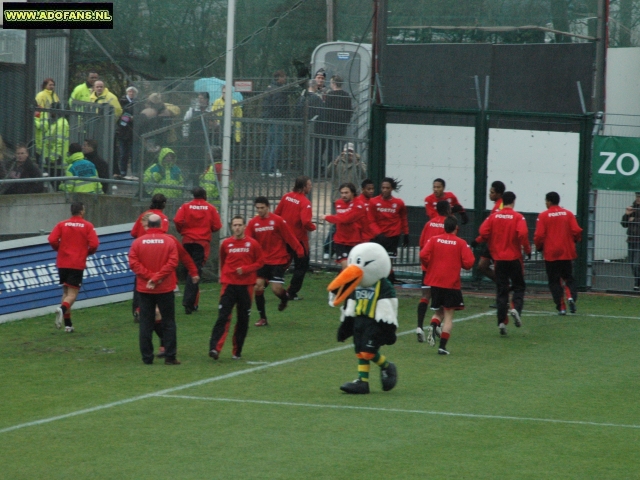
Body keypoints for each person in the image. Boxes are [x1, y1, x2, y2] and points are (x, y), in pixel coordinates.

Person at [328, 242, 398, 395]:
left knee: (368, 351)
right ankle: (363, 382)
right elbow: (349, 300)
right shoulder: (357, 284)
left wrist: (387, 324)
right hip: (359, 320)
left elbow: (389, 303)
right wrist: (346, 320)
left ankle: (386, 366)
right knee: (360, 351)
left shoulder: (382, 285)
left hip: (374, 321)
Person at [472, 191, 531, 336]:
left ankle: (501, 322)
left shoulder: (494, 217)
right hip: (514, 258)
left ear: (502, 201)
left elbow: (483, 231)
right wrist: (527, 250)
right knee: (518, 286)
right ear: (514, 201)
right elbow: (522, 234)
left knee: (502, 289)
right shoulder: (518, 217)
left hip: (499, 259)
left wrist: (484, 241)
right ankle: (515, 308)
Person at [209, 215, 264, 361]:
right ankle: (215, 348)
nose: (237, 227)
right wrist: (224, 277)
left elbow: (260, 262)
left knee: (243, 319)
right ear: (231, 227)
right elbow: (223, 261)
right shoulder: (226, 244)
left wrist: (246, 269)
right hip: (229, 285)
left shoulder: (253, 244)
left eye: (240, 225)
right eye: (235, 225)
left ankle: (237, 351)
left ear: (245, 226)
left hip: (246, 287)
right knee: (223, 316)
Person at [128, 214, 181, 365]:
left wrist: (149, 277)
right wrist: (157, 278)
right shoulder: (169, 242)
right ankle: (170, 356)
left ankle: (147, 358)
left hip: (145, 289)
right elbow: (173, 263)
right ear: (159, 225)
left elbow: (134, 263)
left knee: (146, 323)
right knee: (169, 322)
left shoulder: (138, 243)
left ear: (148, 225)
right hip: (164, 288)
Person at [420, 216, 476, 354]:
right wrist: (459, 263)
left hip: (435, 282)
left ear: (444, 227)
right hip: (451, 283)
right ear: (456, 228)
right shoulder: (461, 243)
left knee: (438, 311)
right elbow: (469, 263)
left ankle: (434, 324)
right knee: (449, 315)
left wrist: (430, 265)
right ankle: (442, 347)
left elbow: (423, 255)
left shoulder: (434, 240)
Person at [245, 196, 304, 326]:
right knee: (258, 286)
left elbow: (289, 236)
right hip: (262, 261)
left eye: (262, 208)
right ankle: (263, 319)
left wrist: (299, 249)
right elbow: (248, 241)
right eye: (257, 208)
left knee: (276, 289)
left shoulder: (278, 221)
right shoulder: (253, 223)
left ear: (268, 207)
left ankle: (284, 299)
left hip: (278, 259)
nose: (259, 210)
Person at [47, 202, 100, 333]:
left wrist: (60, 249)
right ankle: (62, 309)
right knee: (72, 294)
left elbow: (52, 239)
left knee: (65, 292)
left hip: (62, 262)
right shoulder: (87, 225)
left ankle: (68, 325)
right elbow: (94, 244)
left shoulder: (62, 224)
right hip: (76, 263)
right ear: (82, 211)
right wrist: (86, 252)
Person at [173, 187, 222, 314]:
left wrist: (182, 231)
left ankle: (192, 302)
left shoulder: (185, 206)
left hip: (187, 241)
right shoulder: (210, 208)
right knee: (195, 272)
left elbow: (177, 220)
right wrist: (207, 229)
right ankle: (189, 303)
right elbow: (217, 225)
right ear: (205, 195)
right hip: (201, 242)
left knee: (190, 270)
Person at [534, 192, 583, 314]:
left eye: (546, 201)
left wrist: (539, 247)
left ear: (549, 201)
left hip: (551, 253)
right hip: (566, 252)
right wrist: (576, 240)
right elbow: (576, 230)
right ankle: (570, 296)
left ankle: (561, 307)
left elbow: (539, 235)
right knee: (568, 277)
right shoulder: (568, 214)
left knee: (554, 281)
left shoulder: (543, 216)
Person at [130, 194, 171, 322]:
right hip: (156, 253)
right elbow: (162, 235)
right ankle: (155, 311)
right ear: (164, 204)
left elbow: (133, 233)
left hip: (141, 251)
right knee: (157, 281)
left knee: (140, 280)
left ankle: (138, 309)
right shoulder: (162, 218)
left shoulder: (143, 215)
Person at [274, 176, 316, 301]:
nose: (311, 186)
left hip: (285, 238)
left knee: (282, 262)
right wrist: (313, 227)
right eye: (309, 184)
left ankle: (266, 281)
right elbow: (306, 222)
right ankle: (291, 293)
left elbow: (277, 214)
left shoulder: (286, 196)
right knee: (301, 266)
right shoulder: (305, 203)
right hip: (299, 240)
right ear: (303, 187)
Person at [416, 200, 450, 342]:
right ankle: (437, 324)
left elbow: (422, 244)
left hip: (427, 266)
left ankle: (419, 326)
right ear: (448, 209)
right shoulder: (449, 225)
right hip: (440, 268)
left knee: (425, 295)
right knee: (441, 298)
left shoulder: (429, 223)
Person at [368, 177, 409, 283]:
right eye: (383, 188)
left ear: (392, 189)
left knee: (389, 260)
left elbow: (403, 218)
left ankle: (388, 280)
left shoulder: (399, 203)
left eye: (387, 188)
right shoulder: (373, 201)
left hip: (393, 235)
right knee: (377, 259)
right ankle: (381, 279)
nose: (385, 190)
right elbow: (371, 220)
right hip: (379, 236)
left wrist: (406, 234)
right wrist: (378, 234)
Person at [320, 182, 366, 269]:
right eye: (342, 193)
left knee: (352, 267)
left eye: (346, 193)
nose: (343, 195)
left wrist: (327, 217)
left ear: (353, 193)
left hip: (354, 240)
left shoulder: (359, 205)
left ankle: (344, 282)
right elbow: (340, 218)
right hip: (340, 240)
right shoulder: (338, 203)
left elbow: (346, 219)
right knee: (346, 267)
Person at [476, 180, 506, 287]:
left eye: (492, 192)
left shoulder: (500, 206)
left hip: (497, 243)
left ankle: (503, 289)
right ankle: (502, 285)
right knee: (482, 266)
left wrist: (479, 239)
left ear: (499, 194)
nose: (490, 194)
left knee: (491, 268)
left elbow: (493, 227)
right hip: (492, 242)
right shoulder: (497, 206)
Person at [260, 70, 289, 176]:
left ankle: (264, 169)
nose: (285, 79)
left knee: (269, 145)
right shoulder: (278, 90)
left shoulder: (270, 88)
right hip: (277, 120)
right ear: (279, 78)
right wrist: (285, 116)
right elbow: (279, 107)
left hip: (270, 120)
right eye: (284, 77)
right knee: (276, 145)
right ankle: (272, 169)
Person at [320, 75, 353, 165]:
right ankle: (344, 165)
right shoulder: (346, 95)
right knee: (342, 146)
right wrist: (346, 121)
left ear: (334, 83)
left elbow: (326, 111)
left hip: (330, 124)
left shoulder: (330, 95)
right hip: (342, 125)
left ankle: (330, 166)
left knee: (330, 146)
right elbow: (349, 111)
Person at [116, 86, 139, 179]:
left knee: (134, 153)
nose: (131, 93)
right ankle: (123, 172)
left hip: (134, 132)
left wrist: (135, 118)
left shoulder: (139, 103)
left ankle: (134, 172)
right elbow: (118, 115)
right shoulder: (121, 102)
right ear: (127, 93)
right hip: (123, 131)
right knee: (123, 153)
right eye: (129, 92)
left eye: (133, 92)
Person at [621, 192, 640, 291]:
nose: (638, 198)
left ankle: (637, 282)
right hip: (631, 239)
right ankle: (637, 280)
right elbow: (624, 224)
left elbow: (632, 221)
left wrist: (634, 219)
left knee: (637, 263)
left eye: (639, 196)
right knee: (632, 263)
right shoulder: (632, 208)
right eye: (637, 196)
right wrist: (626, 215)